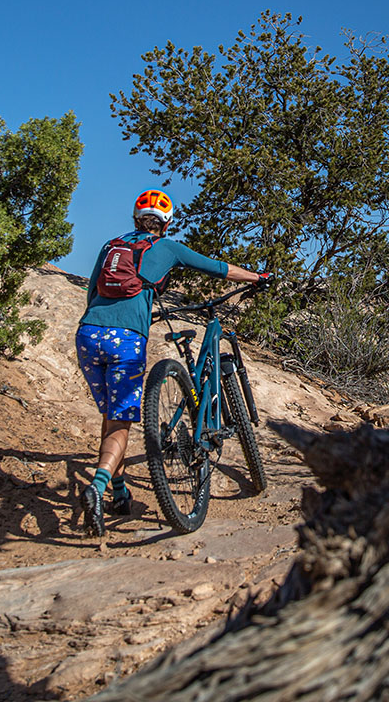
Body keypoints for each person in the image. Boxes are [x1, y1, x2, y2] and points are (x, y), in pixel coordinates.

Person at [74, 188, 265, 536]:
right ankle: (97, 488)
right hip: (126, 339)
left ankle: (119, 491)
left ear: (135, 219)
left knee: (111, 416)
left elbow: (91, 292)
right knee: (120, 425)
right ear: (165, 223)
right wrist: (257, 277)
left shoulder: (110, 246)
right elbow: (218, 269)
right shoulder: (168, 247)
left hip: (88, 335)